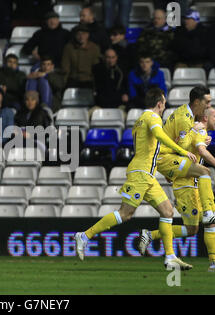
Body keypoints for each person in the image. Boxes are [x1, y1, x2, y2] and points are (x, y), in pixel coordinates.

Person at [75, 87, 196, 270]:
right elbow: (158, 135)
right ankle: (85, 235)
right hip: (141, 173)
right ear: (159, 103)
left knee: (168, 212)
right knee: (125, 214)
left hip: (148, 174)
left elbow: (151, 148)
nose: (164, 107)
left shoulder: (139, 120)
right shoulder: (152, 118)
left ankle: (170, 257)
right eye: (164, 104)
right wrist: (182, 151)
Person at [139, 107, 215, 272]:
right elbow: (201, 150)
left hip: (194, 182)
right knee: (195, 227)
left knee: (204, 225)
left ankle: (214, 263)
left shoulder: (198, 131)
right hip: (186, 185)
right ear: (205, 118)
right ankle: (151, 235)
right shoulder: (199, 130)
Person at [156, 85, 215, 225]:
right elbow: (184, 147)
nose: (210, 105)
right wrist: (195, 131)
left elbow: (181, 142)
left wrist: (199, 135)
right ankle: (211, 212)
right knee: (204, 171)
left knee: (194, 228)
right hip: (164, 158)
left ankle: (213, 212)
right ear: (197, 102)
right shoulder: (184, 119)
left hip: (171, 158)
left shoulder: (189, 115)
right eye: (207, 102)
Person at [61, 24, 101, 89]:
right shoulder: (69, 48)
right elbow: (65, 67)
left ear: (88, 35)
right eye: (78, 34)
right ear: (75, 35)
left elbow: (96, 67)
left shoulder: (94, 48)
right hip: (73, 79)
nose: (81, 36)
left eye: (84, 34)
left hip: (89, 80)